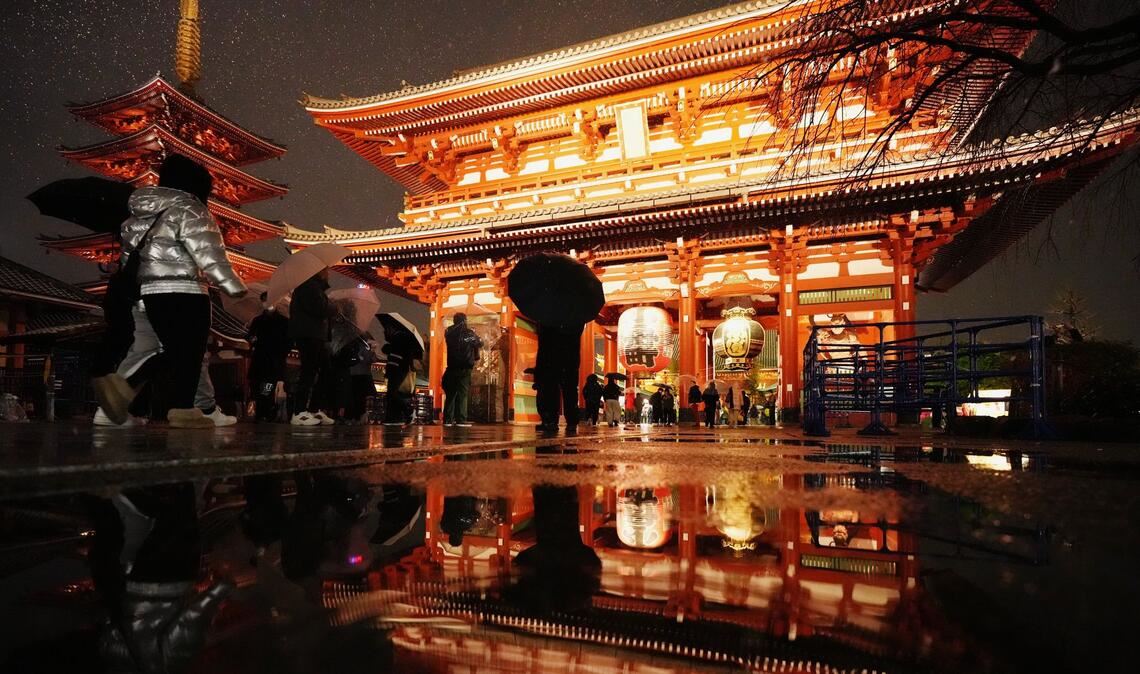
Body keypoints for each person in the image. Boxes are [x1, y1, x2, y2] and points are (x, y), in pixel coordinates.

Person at [92, 154, 247, 429]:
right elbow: (209, 254)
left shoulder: (137, 215)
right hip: (185, 290)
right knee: (188, 350)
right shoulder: (191, 209)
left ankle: (115, 407)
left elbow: (129, 259)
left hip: (146, 293)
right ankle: (182, 409)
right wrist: (234, 286)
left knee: (155, 349)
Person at [288, 268, 334, 426]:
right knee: (309, 372)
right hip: (309, 335)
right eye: (326, 271)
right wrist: (334, 308)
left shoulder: (314, 287)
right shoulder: (308, 286)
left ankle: (314, 408)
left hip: (315, 335)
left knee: (325, 370)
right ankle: (299, 411)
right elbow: (319, 308)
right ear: (319, 271)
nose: (329, 274)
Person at [247, 293, 290, 422]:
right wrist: (252, 339)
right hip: (261, 359)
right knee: (257, 386)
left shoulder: (283, 321)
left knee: (267, 387)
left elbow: (287, 342)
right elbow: (251, 337)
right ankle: (262, 411)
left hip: (272, 360)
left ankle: (266, 411)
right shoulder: (257, 320)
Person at [534, 323, 583, 434]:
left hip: (551, 359)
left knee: (552, 389)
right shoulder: (574, 317)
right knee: (569, 389)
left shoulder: (547, 320)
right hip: (569, 359)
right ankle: (571, 421)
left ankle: (551, 421)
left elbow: (542, 349)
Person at [442, 313, 482, 427]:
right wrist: (475, 334)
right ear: (464, 321)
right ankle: (461, 419)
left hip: (451, 367)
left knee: (450, 394)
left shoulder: (448, 332)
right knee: (462, 393)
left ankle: (447, 419)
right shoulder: (469, 333)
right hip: (464, 367)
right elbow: (480, 343)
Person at [382, 328, 422, 426]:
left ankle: (408, 410)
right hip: (396, 368)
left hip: (398, 368)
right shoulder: (399, 339)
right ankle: (392, 418)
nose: (384, 333)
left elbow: (389, 350)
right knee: (391, 394)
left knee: (392, 393)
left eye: (385, 331)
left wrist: (389, 347)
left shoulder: (400, 338)